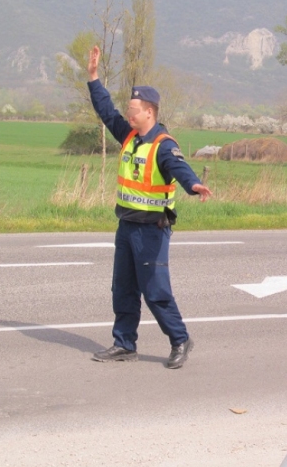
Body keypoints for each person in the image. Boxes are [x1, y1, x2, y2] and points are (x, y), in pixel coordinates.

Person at [86, 45, 212, 368]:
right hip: (126, 226)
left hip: (152, 230)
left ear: (149, 113)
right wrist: (93, 78)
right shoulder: (129, 136)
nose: (128, 113)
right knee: (123, 289)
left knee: (155, 291)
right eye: (128, 108)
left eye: (134, 109)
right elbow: (106, 111)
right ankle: (124, 343)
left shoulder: (163, 145)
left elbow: (179, 169)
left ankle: (180, 339)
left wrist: (194, 184)